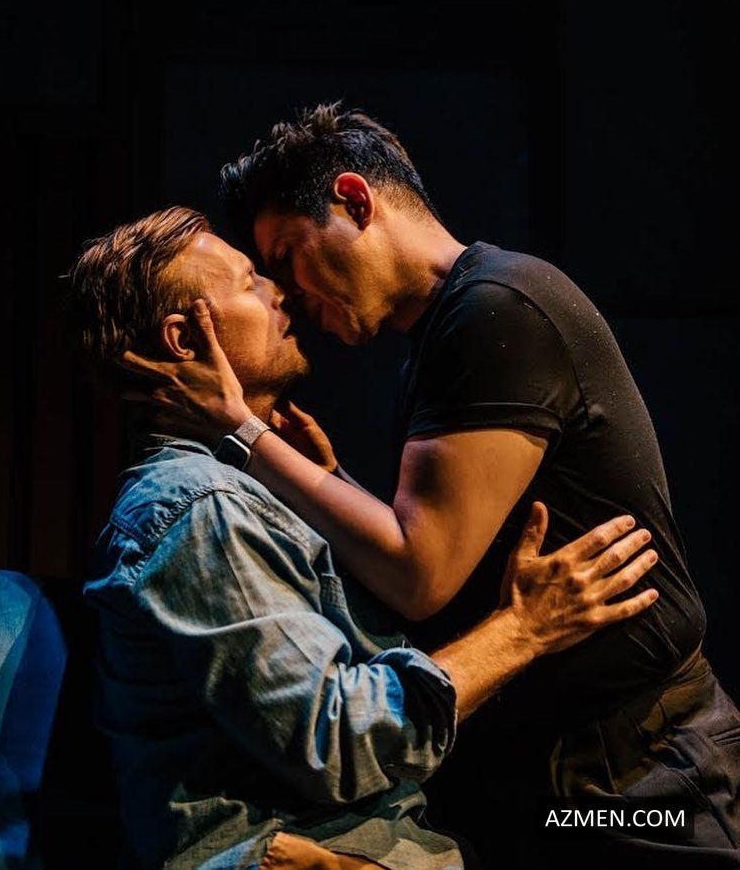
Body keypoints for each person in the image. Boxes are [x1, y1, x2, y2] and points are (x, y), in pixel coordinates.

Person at [122, 103, 740, 867]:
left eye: (285, 256)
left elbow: (421, 574)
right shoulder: (448, 331)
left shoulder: (495, 312)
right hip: (552, 766)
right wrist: (329, 479)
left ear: (354, 200)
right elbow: (428, 553)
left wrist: (244, 434)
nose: (286, 293)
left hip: (637, 772)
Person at [63, 204, 660, 870]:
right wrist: (521, 628)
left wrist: (323, 482)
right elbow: (337, 741)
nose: (279, 292)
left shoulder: (242, 489)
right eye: (249, 281)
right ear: (183, 339)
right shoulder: (201, 510)